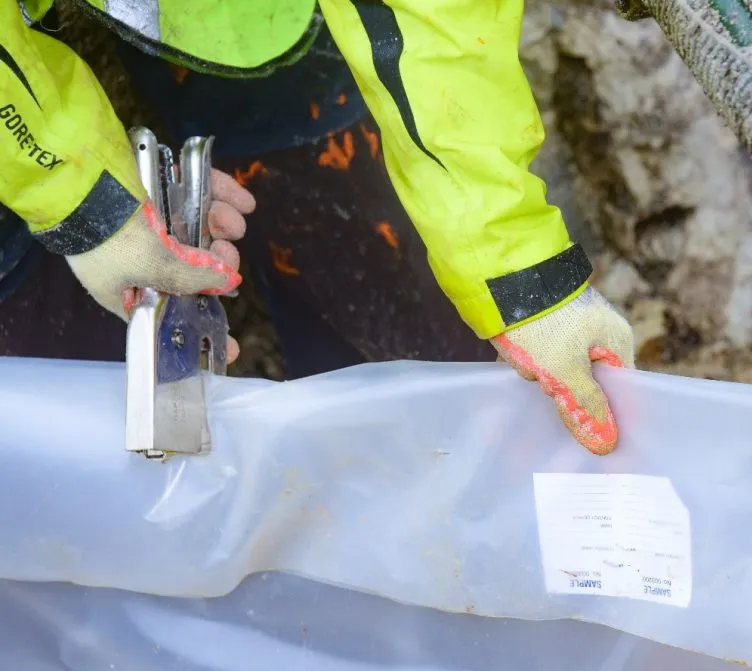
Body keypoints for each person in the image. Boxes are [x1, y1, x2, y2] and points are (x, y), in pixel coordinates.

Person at [0, 0, 636, 455]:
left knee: (338, 206)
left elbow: (438, 27)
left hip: (251, 32)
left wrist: (522, 277)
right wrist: (76, 196)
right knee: (63, 423)